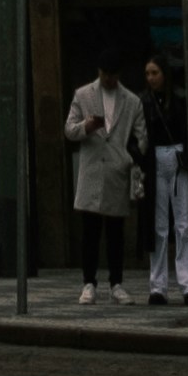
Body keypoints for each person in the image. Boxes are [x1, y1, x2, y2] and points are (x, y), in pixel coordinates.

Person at [61, 53, 144, 304]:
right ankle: (89, 282)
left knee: (116, 231)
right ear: (99, 71)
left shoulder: (131, 101)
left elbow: (141, 136)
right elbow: (69, 130)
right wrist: (86, 127)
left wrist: (130, 155)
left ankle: (116, 283)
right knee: (90, 231)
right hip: (92, 169)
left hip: (117, 168)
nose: (108, 79)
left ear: (119, 74)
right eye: (105, 74)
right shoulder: (83, 95)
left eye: (113, 75)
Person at [140, 49, 188, 307]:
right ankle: (160, 286)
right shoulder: (147, 101)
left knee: (183, 224)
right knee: (162, 225)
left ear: (164, 74)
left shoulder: (175, 99)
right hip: (160, 159)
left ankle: (185, 283)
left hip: (172, 158)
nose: (150, 78)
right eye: (148, 73)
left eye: (155, 73)